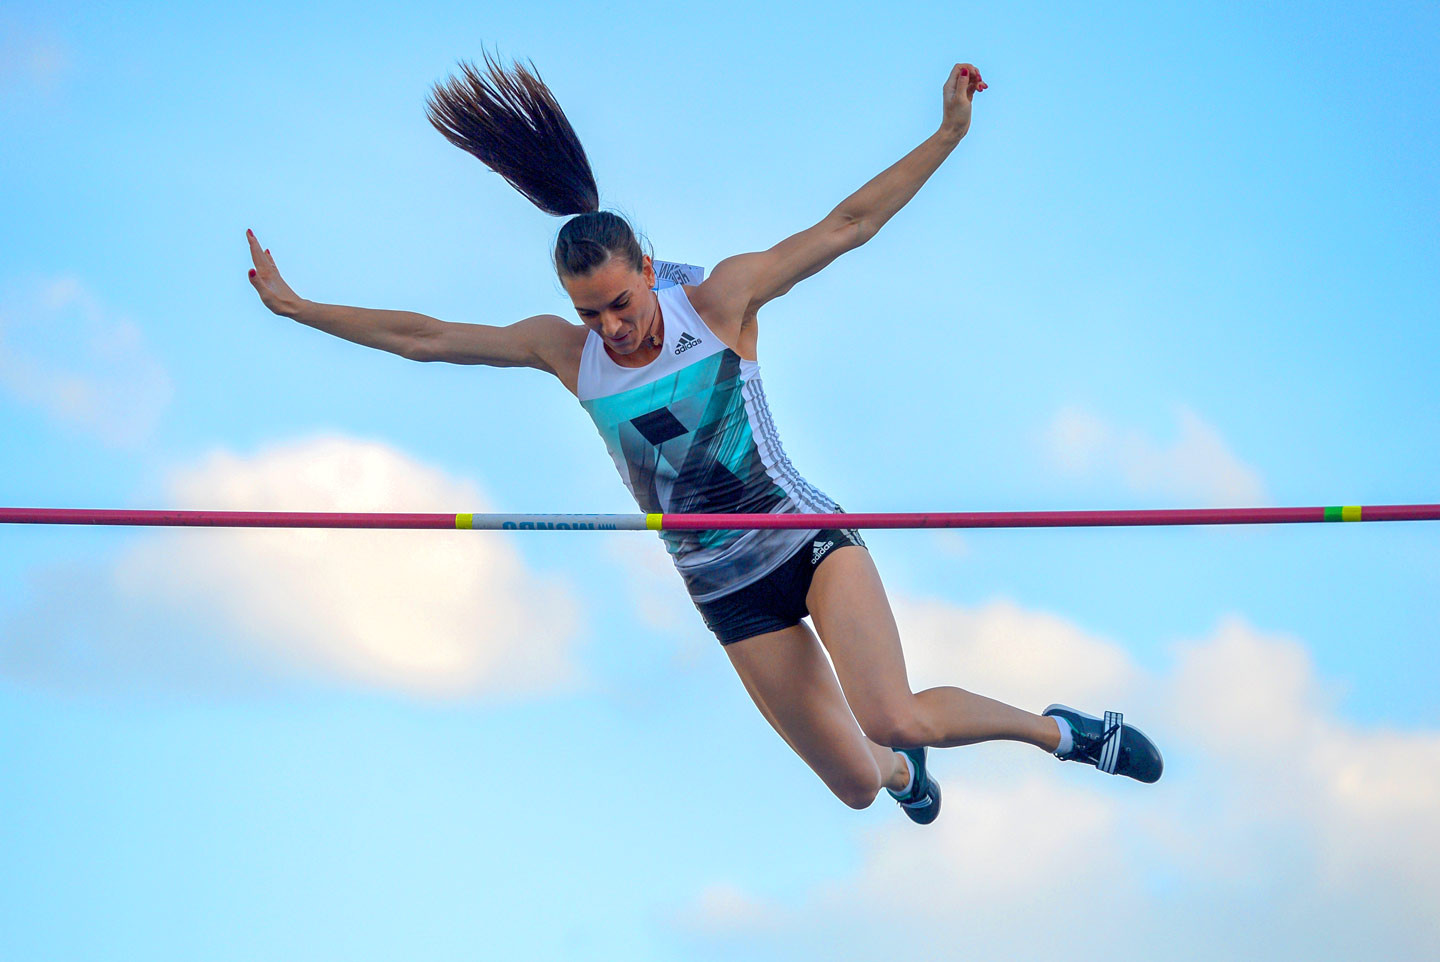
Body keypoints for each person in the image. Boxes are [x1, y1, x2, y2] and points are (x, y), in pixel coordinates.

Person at [246, 54, 1162, 824]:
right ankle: (903, 782)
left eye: (620, 302)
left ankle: (1066, 734)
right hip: (724, 588)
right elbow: (427, 338)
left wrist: (949, 134)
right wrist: (298, 308)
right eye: (590, 313)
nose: (611, 326)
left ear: (648, 269)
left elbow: (849, 225)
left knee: (893, 714)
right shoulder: (567, 356)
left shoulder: (718, 301)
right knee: (858, 782)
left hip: (804, 543)